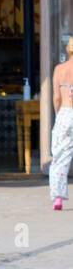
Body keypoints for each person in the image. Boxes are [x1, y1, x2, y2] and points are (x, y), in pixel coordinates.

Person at [49, 37, 73, 210]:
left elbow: (56, 97)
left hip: (65, 113)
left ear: (68, 50)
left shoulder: (60, 69)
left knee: (59, 157)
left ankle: (57, 196)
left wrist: (58, 114)